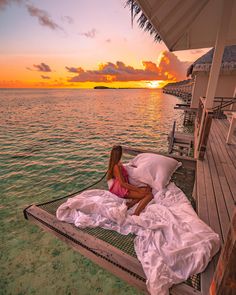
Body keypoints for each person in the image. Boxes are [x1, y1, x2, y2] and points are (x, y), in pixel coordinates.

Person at [107, 145, 153, 216]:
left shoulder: (118, 163)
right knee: (149, 195)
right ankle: (136, 213)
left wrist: (131, 166)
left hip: (124, 186)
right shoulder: (116, 166)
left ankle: (130, 204)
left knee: (147, 189)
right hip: (121, 189)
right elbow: (123, 184)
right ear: (120, 154)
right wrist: (138, 190)